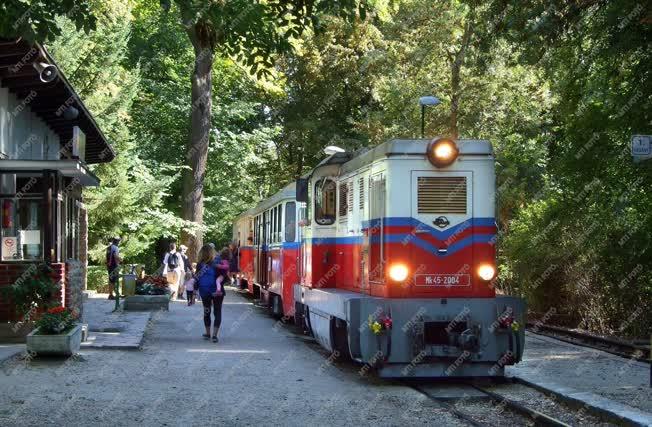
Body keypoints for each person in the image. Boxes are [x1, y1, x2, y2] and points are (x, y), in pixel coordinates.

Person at [195, 245, 227, 343]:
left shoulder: (200, 264)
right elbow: (224, 277)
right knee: (217, 312)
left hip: (205, 291)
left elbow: (197, 277)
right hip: (217, 292)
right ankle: (215, 335)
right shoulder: (217, 262)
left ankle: (208, 333)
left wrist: (194, 290)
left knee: (207, 311)